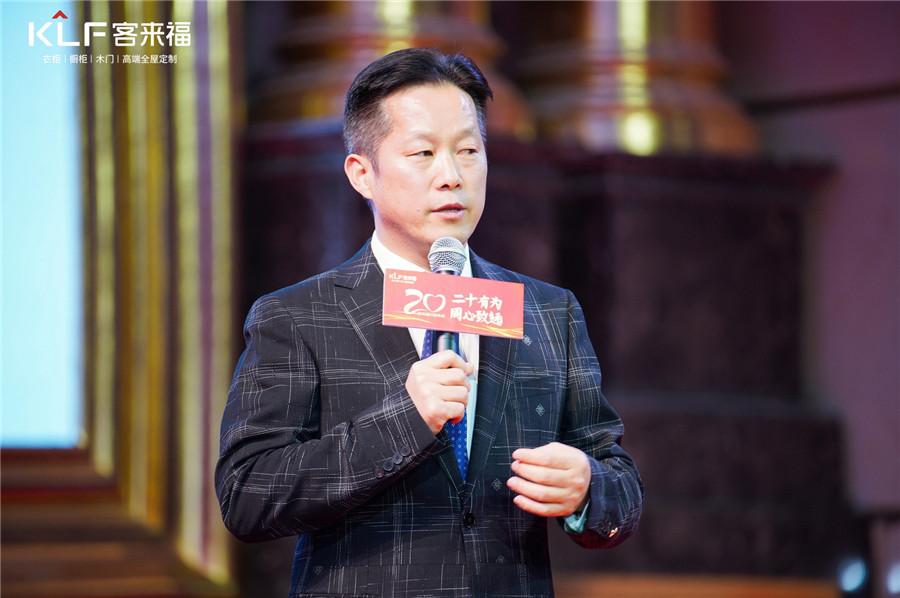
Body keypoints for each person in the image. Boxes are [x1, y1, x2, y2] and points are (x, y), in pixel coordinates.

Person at [215, 47, 643, 598]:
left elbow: (618, 480)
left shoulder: (545, 311)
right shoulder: (298, 315)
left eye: (468, 151)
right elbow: (247, 495)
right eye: (423, 153)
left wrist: (587, 489)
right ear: (362, 174)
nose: (451, 176)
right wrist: (405, 419)